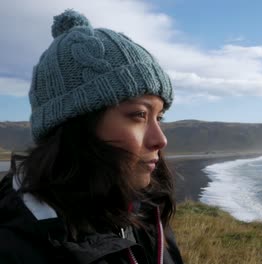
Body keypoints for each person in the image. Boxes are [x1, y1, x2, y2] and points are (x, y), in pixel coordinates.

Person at [0, 9, 184, 264]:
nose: (160, 139)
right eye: (139, 115)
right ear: (76, 124)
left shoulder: (148, 215)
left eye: (159, 117)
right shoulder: (17, 248)